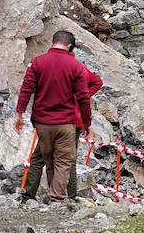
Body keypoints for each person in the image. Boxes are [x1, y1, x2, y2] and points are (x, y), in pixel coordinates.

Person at [14, 28, 94, 203]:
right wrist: (87, 122)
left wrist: (19, 113)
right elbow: (83, 97)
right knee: (64, 162)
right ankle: (57, 199)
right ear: (70, 46)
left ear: (53, 42)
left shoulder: (37, 62)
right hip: (65, 122)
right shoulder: (76, 66)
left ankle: (40, 197)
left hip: (42, 123)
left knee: (48, 160)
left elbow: (26, 89)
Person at [22, 56, 102, 200]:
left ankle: (30, 194)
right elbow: (97, 82)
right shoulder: (78, 67)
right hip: (73, 121)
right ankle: (69, 195)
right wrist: (80, 97)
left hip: (56, 120)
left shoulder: (56, 68)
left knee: (39, 158)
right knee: (68, 160)